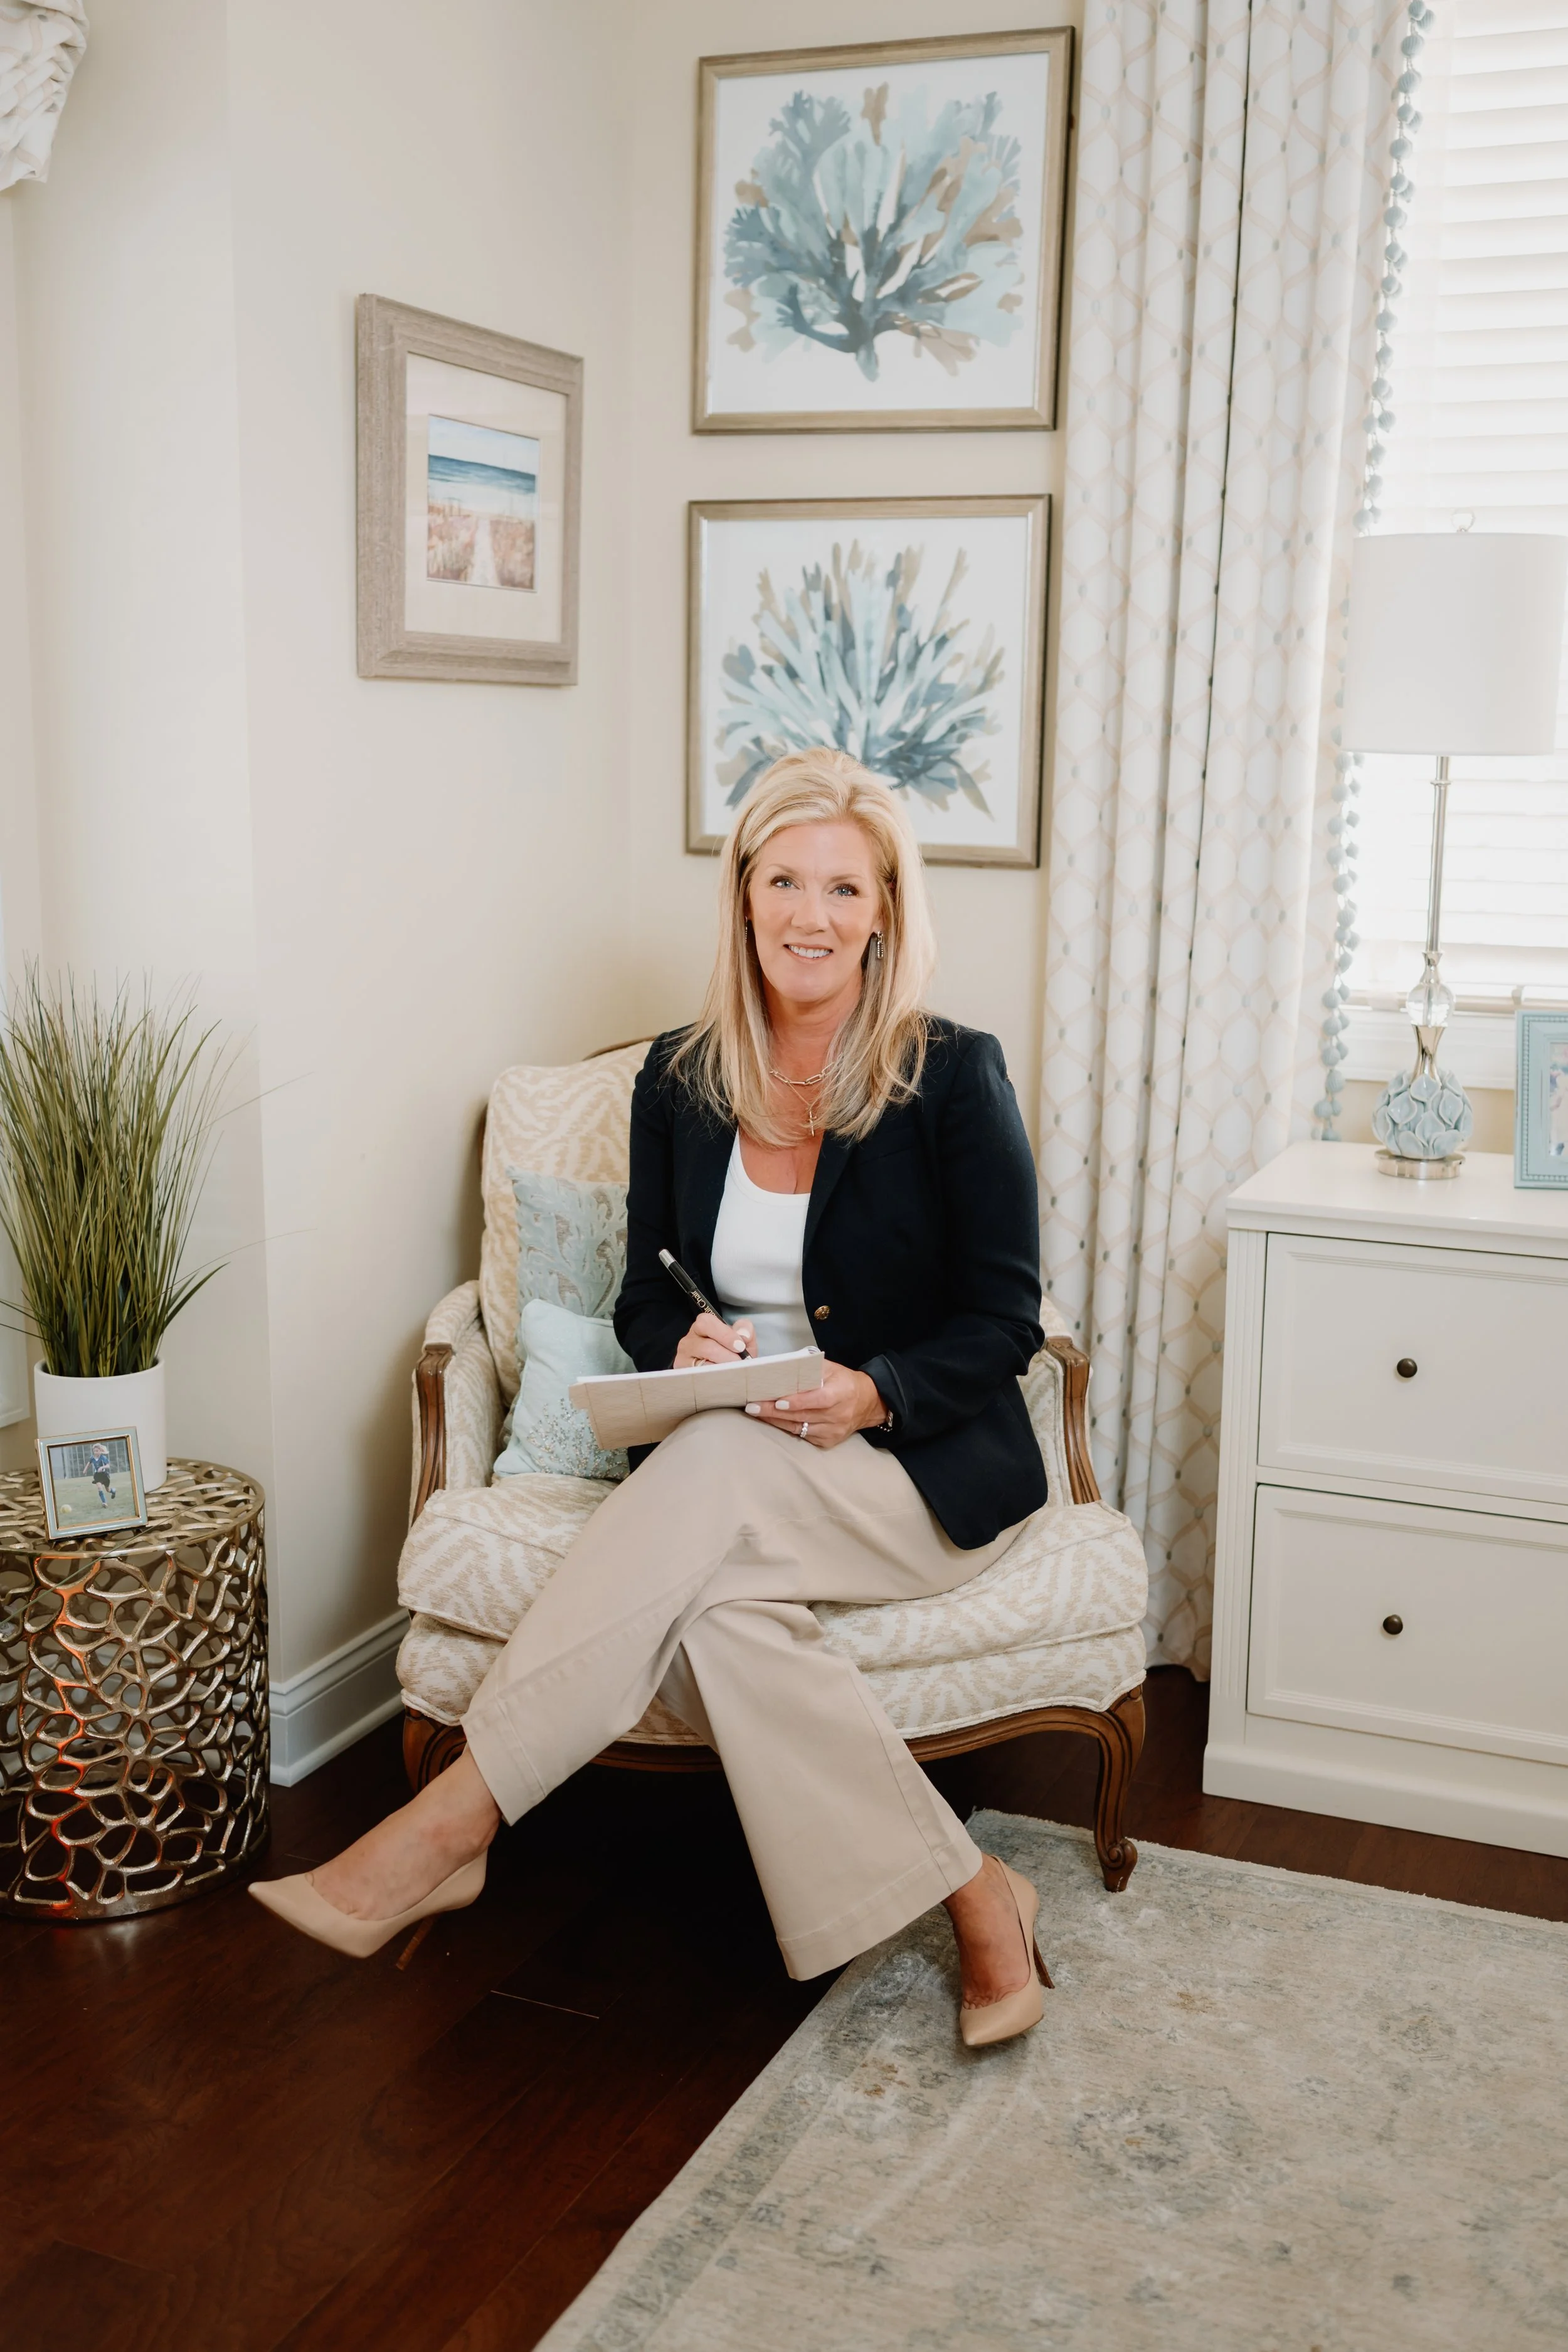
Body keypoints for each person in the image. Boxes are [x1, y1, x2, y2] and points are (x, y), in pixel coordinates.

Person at [252, 748, 1054, 2047]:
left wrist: (869, 1390)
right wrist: (678, 1344)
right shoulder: (679, 1079)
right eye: (783, 880)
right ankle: (977, 1894)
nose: (810, 915)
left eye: (842, 890)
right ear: (741, 897)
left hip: (912, 1474)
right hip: (730, 1469)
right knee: (726, 1613)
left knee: (711, 1476)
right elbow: (638, 1299)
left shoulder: (948, 1077)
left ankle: (454, 1822)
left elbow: (1006, 1320)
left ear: (885, 913)